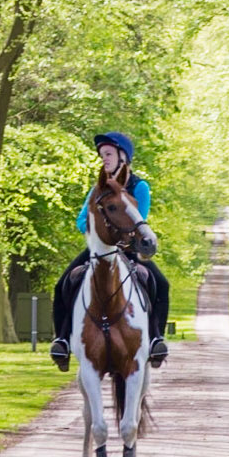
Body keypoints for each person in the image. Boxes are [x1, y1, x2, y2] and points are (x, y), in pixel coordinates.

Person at [49, 130, 170, 372]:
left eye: (108, 154)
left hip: (128, 249)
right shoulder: (98, 188)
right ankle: (62, 339)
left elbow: (139, 218)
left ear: (123, 156)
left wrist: (121, 236)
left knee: (161, 284)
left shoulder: (139, 186)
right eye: (102, 155)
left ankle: (156, 337)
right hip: (100, 248)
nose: (104, 158)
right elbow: (81, 220)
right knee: (63, 284)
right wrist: (97, 230)